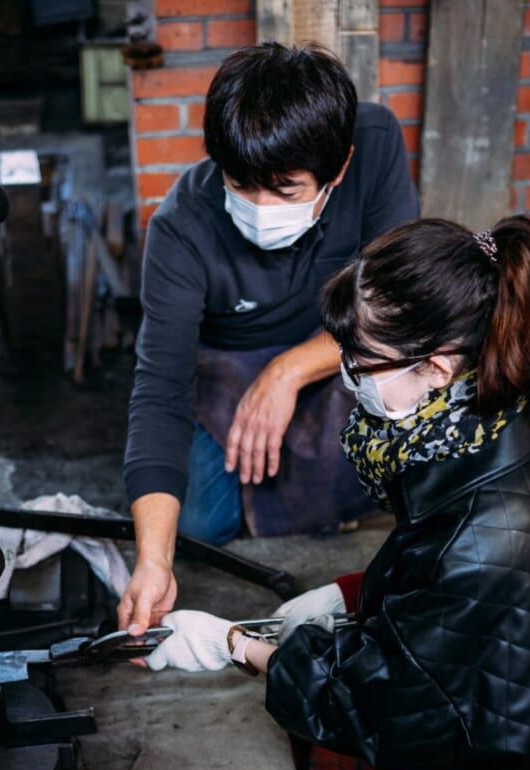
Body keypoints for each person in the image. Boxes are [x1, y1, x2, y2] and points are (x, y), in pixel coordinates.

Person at [142, 214, 530, 770]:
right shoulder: (491, 422)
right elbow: (444, 580)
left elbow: (378, 705)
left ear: (436, 367)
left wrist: (233, 644)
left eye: (360, 361)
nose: (344, 375)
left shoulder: (485, 533)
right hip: (473, 736)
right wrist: (349, 594)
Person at [119, 42, 419, 635]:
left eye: (285, 191)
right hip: (226, 362)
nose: (261, 208)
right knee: (197, 524)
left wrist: (289, 371)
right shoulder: (180, 229)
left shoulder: (375, 143)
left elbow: (402, 301)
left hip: (343, 343)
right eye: (241, 184)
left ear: (339, 168)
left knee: (410, 452)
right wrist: (152, 561)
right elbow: (160, 390)